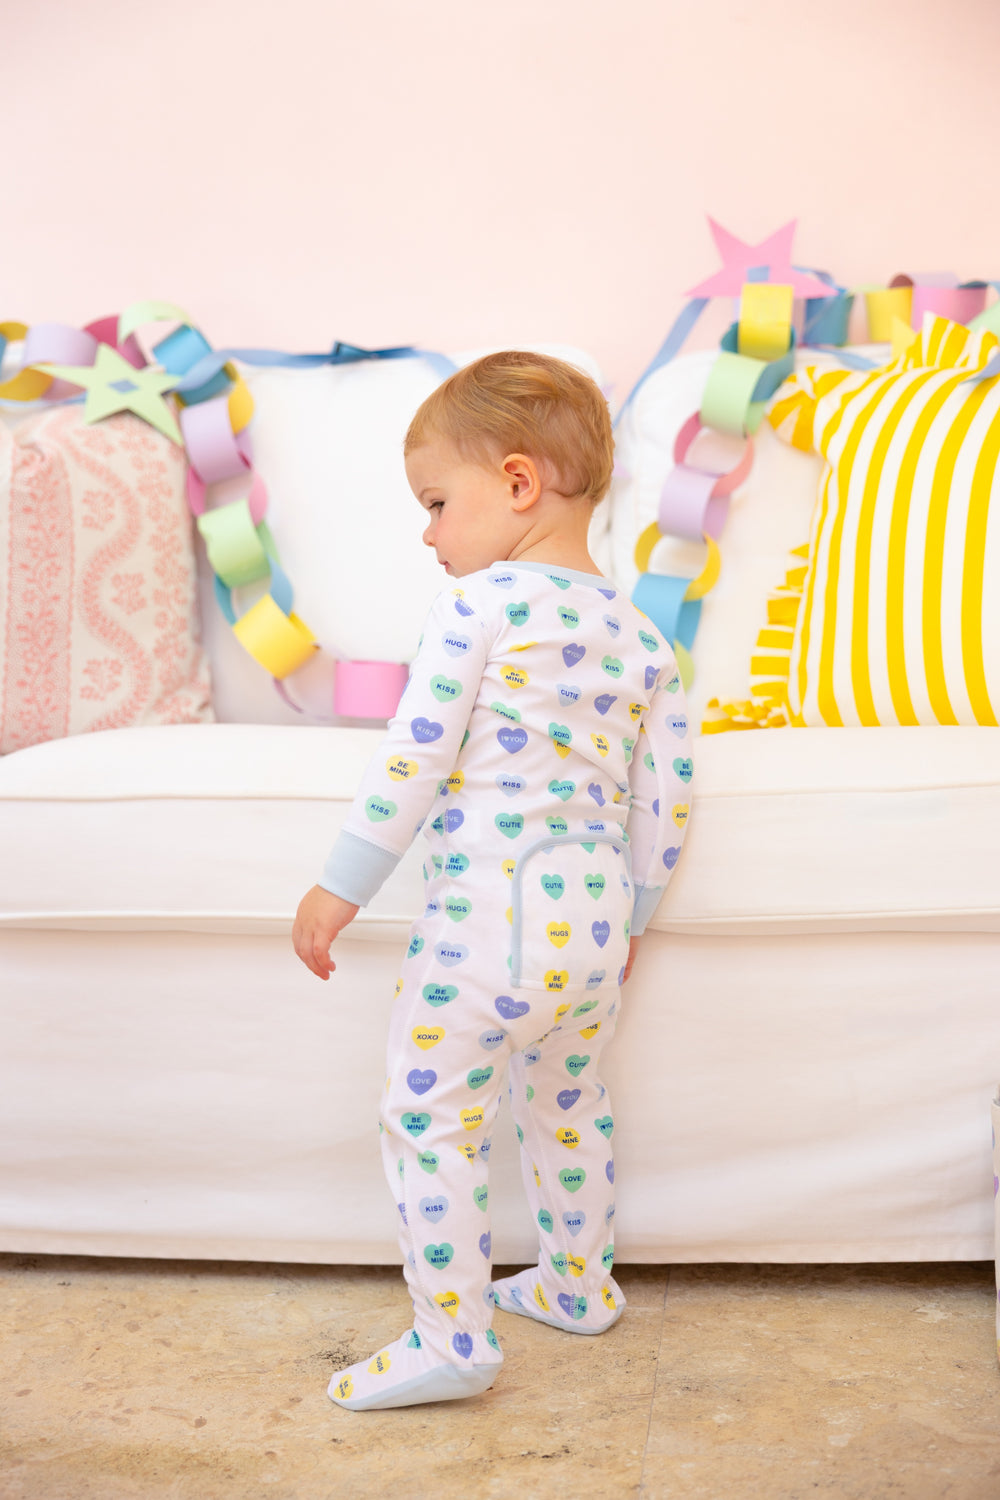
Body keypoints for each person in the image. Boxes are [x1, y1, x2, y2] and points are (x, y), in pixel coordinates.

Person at [293, 351, 693, 1411]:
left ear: (518, 484)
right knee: (568, 1103)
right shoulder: (646, 640)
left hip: (484, 925)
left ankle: (452, 1337)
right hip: (595, 929)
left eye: (435, 503)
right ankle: (575, 1282)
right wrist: (637, 919)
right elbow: (667, 798)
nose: (427, 534)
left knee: (429, 1118)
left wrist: (341, 885)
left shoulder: (481, 608)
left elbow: (412, 758)